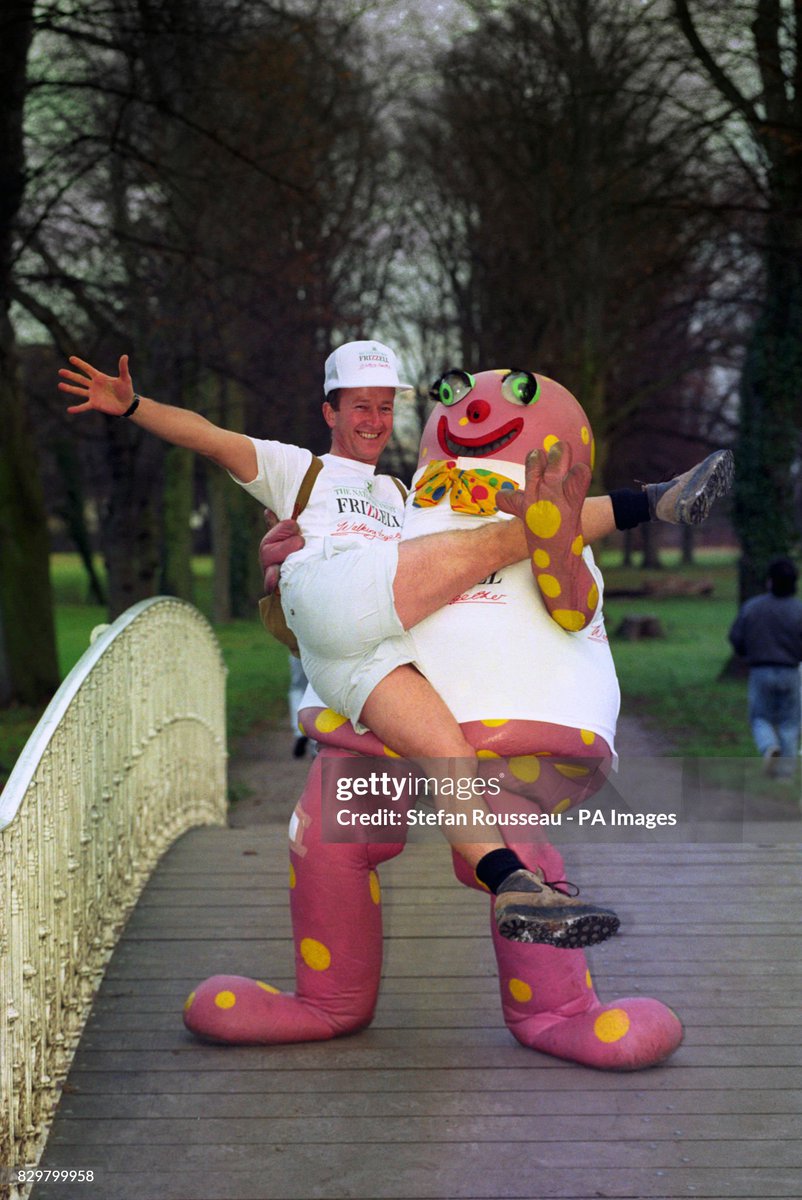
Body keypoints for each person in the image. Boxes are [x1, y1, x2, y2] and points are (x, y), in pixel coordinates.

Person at [59, 342, 731, 948]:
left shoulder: (402, 495)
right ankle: (654, 502)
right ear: (329, 412)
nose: (374, 421)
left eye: (384, 408)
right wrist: (134, 405)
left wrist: (270, 572)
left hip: (367, 652)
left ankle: (514, 887)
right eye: (359, 407)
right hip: (338, 593)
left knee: (450, 757)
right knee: (509, 533)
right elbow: (209, 438)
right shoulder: (298, 471)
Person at [728, 557, 802, 775]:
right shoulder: (798, 610)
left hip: (760, 670)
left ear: (770, 582)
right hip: (790, 671)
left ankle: (769, 747)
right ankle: (785, 775)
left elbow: (736, 636)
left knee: (760, 717)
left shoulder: (753, 607)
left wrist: (745, 654)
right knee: (790, 722)